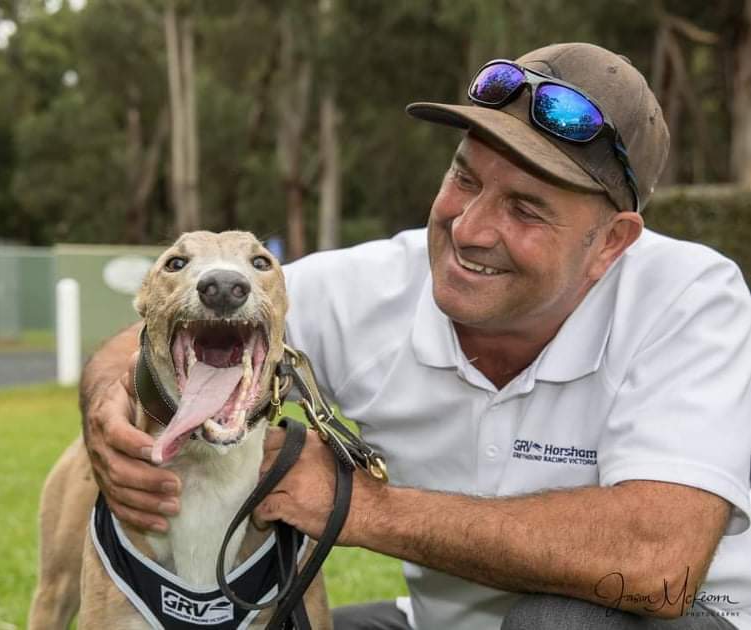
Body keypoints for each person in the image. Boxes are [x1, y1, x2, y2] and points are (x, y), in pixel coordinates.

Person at [80, 43, 751, 629]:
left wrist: (358, 506)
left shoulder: (690, 298)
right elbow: (157, 327)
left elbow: (658, 563)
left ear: (610, 243)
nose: (470, 228)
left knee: (560, 620)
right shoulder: (379, 285)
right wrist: (107, 408)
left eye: (525, 208)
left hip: (676, 624)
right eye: (464, 178)